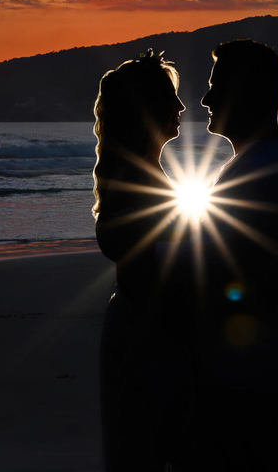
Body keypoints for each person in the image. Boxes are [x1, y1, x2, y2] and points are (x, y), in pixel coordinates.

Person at [190, 38, 278, 470]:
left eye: (216, 86)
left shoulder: (260, 173)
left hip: (250, 375)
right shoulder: (255, 163)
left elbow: (234, 277)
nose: (205, 98)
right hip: (258, 367)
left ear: (246, 95)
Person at [92, 51, 191, 471]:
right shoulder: (141, 184)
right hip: (147, 341)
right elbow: (164, 278)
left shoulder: (138, 177)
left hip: (143, 333)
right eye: (171, 98)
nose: (182, 107)